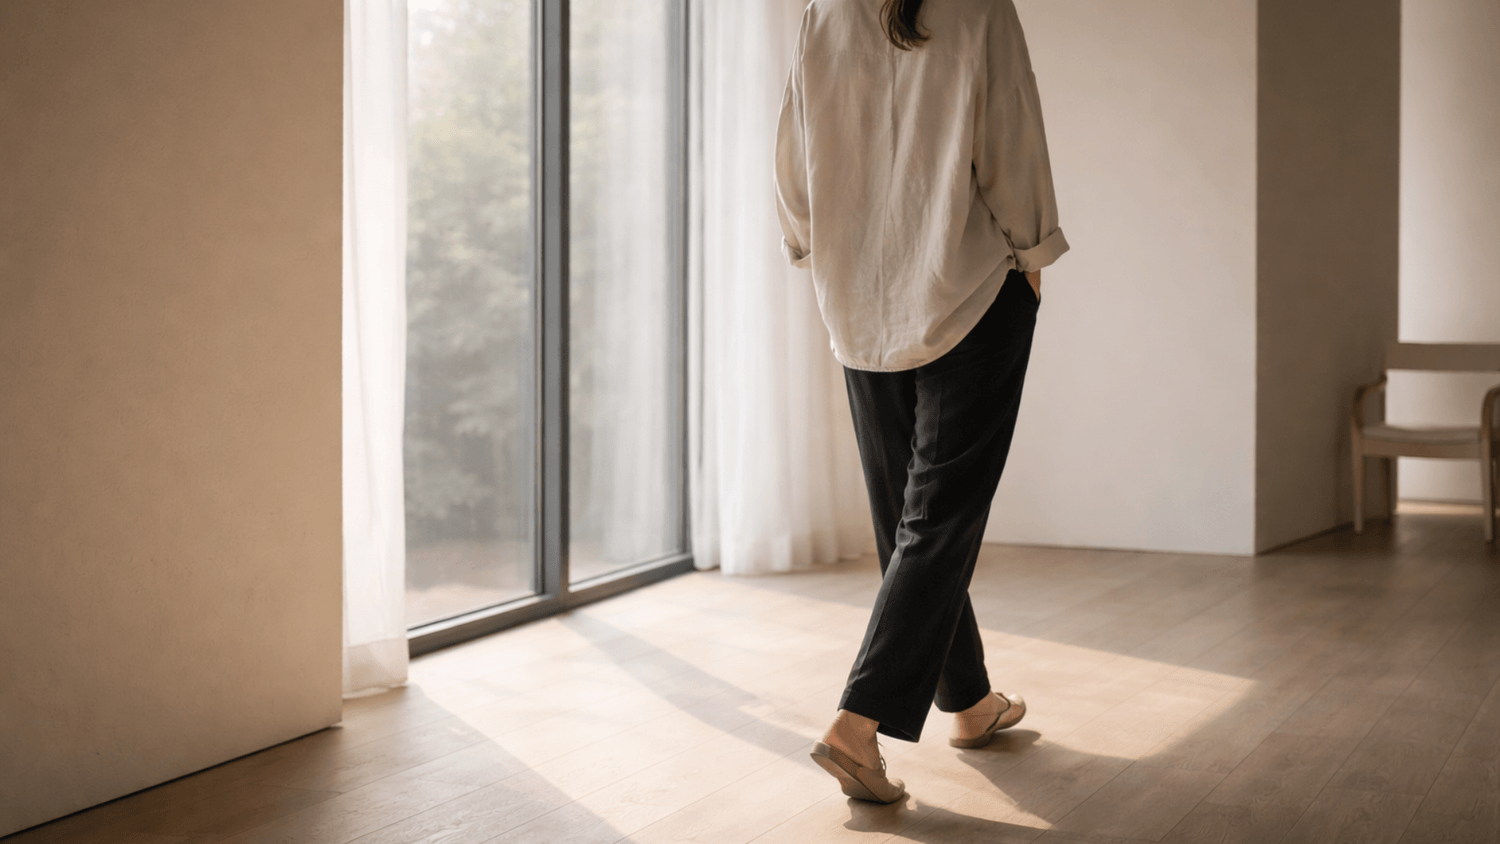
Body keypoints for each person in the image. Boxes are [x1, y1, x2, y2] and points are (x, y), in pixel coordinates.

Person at [774, 0, 1068, 803]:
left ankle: (968, 703)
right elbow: (1010, 132)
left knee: (905, 514)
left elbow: (794, 149)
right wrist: (1035, 253)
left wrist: (814, 248)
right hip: (969, 284)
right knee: (938, 515)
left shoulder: (821, 11)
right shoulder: (977, 7)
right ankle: (856, 724)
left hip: (857, 292)